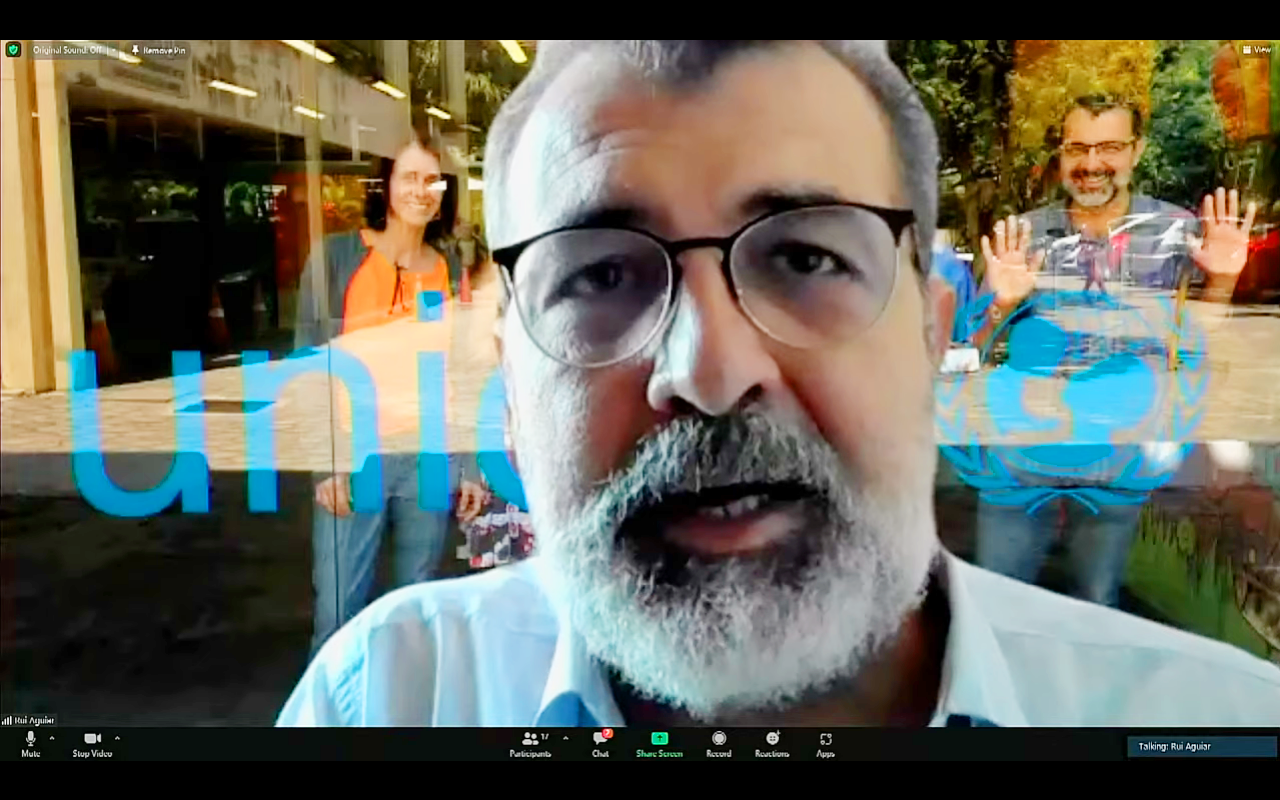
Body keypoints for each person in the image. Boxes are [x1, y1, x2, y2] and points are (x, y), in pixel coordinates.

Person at [279, 41, 1280, 727]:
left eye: (804, 259)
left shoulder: (1210, 715)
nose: (710, 373)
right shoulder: (390, 696)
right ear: (511, 371)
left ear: (927, 338)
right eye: (602, 275)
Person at [970, 94, 1257, 609]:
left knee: (1096, 599)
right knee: (996, 596)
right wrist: (1001, 306)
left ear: (1136, 150)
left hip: (1119, 453)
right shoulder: (1024, 234)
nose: (1092, 163)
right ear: (1061, 154)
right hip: (1024, 449)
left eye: (1109, 147)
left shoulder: (1177, 233)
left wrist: (1221, 282)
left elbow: (1198, 341)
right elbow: (978, 347)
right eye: (1077, 148)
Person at [293, 128, 486, 656]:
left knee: (414, 609)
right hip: (356, 456)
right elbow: (308, 367)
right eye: (409, 177)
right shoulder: (336, 259)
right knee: (339, 615)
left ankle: (401, 700)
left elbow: (463, 370)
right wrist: (325, 463)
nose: (421, 191)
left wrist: (470, 462)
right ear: (386, 184)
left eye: (433, 180)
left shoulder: (449, 268)